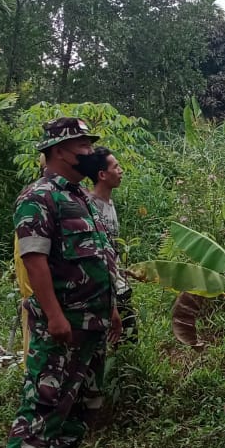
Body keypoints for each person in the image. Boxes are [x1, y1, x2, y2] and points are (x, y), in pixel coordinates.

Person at [0, 117, 122, 448]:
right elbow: (34, 260)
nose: (90, 151)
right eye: (82, 145)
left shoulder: (81, 196)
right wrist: (53, 315)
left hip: (94, 321)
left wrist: (112, 309)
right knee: (43, 406)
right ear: (59, 151)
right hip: (64, 324)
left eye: (89, 144)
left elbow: (100, 256)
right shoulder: (39, 197)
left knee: (82, 404)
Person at [81, 146, 136, 344]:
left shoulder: (109, 203)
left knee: (129, 338)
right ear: (102, 175)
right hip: (103, 288)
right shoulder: (90, 206)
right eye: (116, 167)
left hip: (118, 284)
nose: (120, 171)